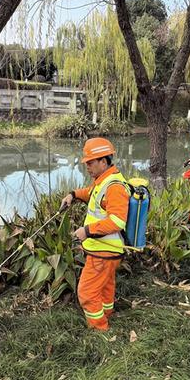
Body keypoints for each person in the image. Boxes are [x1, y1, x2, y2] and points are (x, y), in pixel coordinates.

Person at [61, 138, 130, 331]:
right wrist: (73, 195)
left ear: (103, 161)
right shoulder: (104, 180)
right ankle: (106, 313)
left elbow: (117, 221)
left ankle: (99, 329)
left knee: (87, 292)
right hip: (106, 250)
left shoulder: (114, 186)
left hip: (104, 251)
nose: (87, 167)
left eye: (90, 163)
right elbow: (90, 193)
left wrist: (87, 231)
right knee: (105, 286)